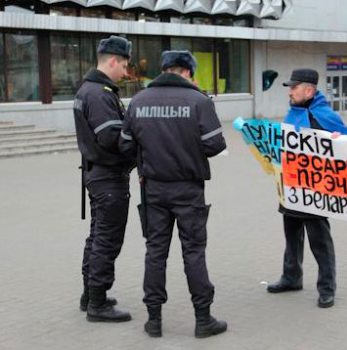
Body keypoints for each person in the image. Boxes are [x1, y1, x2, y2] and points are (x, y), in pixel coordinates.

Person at [119, 50, 227, 338]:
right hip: (189, 190)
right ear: (188, 72)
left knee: (155, 253)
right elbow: (215, 145)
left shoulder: (139, 100)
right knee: (193, 252)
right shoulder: (199, 101)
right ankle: (203, 320)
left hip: (153, 189)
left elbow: (125, 146)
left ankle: (154, 320)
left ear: (164, 69)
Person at [266, 68, 347, 308]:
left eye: (294, 87)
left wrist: (341, 140)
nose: (290, 92)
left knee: (320, 241)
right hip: (291, 187)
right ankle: (291, 278)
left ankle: (327, 288)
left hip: (315, 191)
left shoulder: (324, 115)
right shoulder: (292, 113)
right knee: (291, 237)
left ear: (309, 90)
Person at [73, 35, 135, 322]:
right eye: (124, 65)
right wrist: (137, 137)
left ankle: (90, 295)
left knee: (97, 237)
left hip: (97, 175)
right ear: (112, 61)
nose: (126, 72)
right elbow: (111, 137)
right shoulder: (99, 93)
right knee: (107, 240)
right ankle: (98, 303)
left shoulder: (91, 89)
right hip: (108, 177)